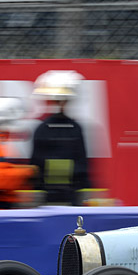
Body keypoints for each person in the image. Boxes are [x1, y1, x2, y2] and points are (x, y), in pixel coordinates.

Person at [29, 70, 94, 205]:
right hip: (63, 193)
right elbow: (82, 162)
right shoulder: (73, 128)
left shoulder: (44, 128)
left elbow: (36, 162)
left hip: (59, 193)